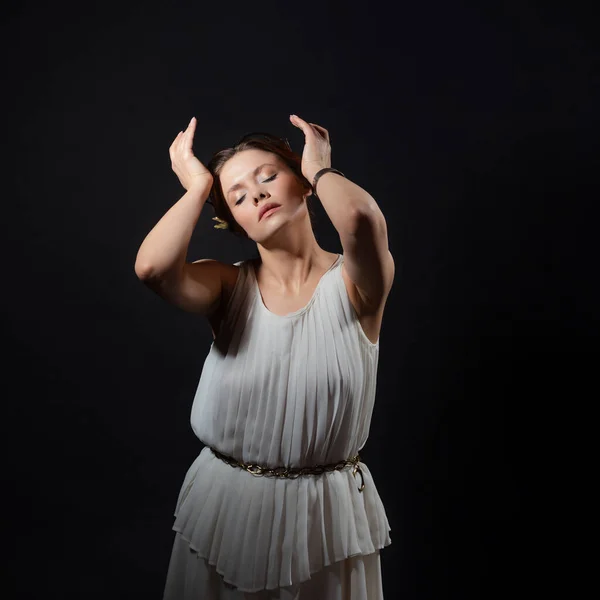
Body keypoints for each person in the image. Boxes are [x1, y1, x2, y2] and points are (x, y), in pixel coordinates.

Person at [134, 114, 396, 599]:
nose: (256, 194)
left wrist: (319, 166)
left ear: (300, 183)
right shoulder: (227, 284)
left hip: (325, 515)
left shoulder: (357, 287)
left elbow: (361, 220)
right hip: (225, 502)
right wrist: (196, 188)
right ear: (234, 221)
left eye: (268, 176)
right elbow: (152, 268)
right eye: (236, 197)